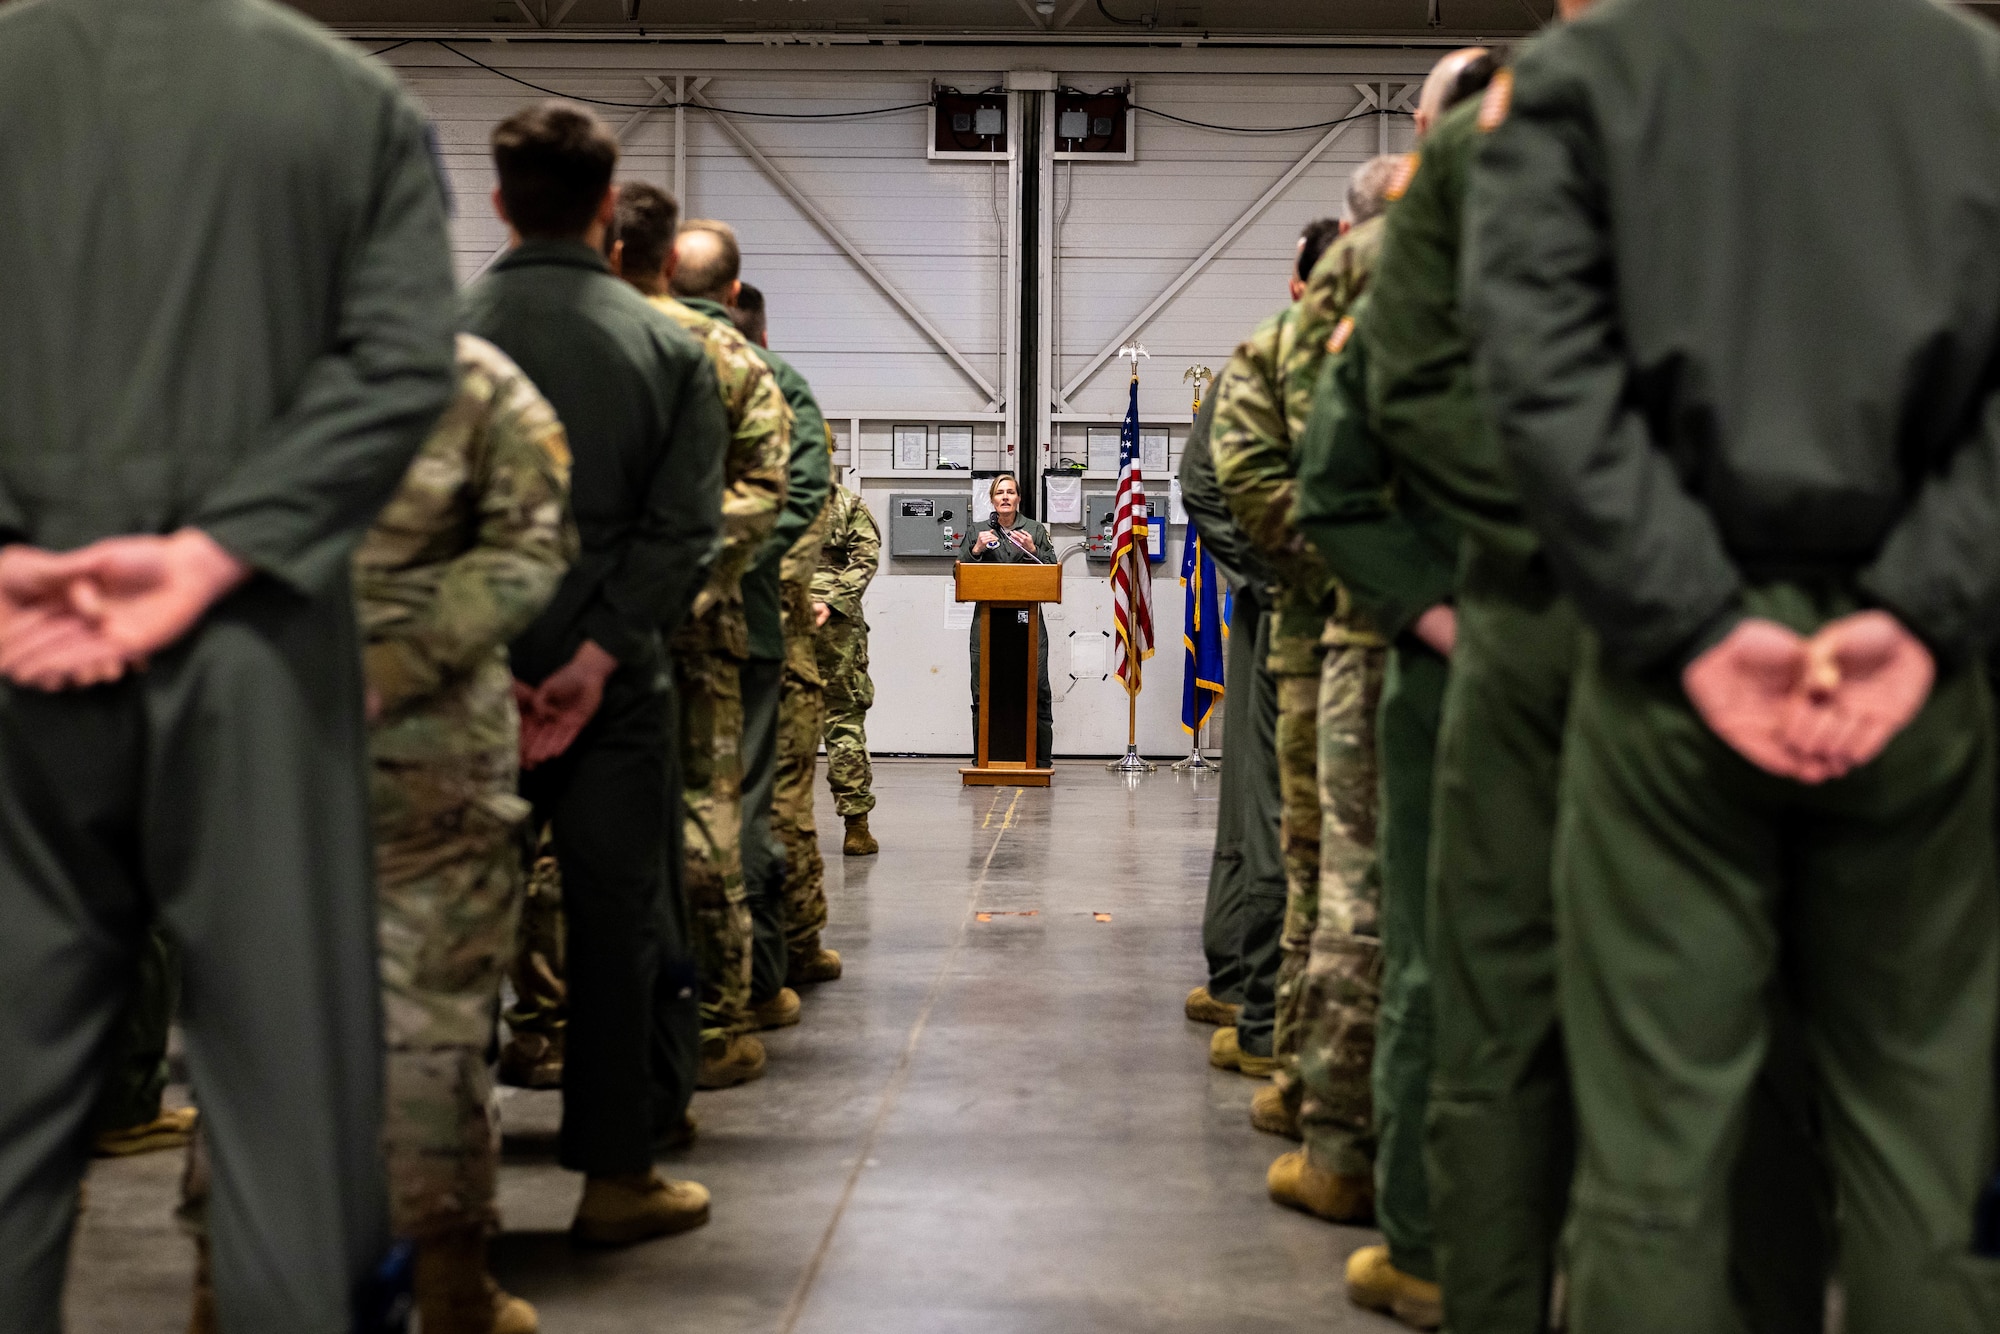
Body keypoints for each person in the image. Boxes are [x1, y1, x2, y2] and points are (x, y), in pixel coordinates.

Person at [1466, 0, 2000, 1329]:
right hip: (1914, 681)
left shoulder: (1581, 83)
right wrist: (1923, 608)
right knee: (1923, 1176)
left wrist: (1695, 621)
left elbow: (1540, 377)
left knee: (1653, 1169)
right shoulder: (1975, 76)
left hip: (1670, 689)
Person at [0, 1, 457, 1328]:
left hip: (17, 635)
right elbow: (400, 359)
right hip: (251, 645)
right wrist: (212, 553)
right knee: (288, 1105)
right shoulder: (348, 104)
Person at [462, 100, 727, 1246]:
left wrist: (498, 659)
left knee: (449, 934)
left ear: (496, 200)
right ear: (611, 209)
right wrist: (589, 658)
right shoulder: (669, 346)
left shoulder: (438, 337)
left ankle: (442, 1186)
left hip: (465, 686)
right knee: (618, 925)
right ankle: (617, 1174)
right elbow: (683, 533)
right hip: (612, 693)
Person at [357, 333, 575, 1334]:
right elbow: (532, 545)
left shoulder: (216, 352)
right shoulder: (471, 378)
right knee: (437, 1012)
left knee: (256, 1007)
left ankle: (227, 1282)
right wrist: (399, 662)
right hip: (428, 738)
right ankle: (449, 1281)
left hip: (254, 726)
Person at [1210, 202, 1390, 1206]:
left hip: (1333, 634)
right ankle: (1301, 1072)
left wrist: (1331, 572)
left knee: (1325, 867)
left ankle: (1319, 1096)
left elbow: (1247, 476)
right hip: (1374, 627)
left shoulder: (1283, 351)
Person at [609, 198, 793, 1080]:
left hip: (572, 625)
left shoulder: (594, 335)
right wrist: (684, 579)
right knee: (707, 820)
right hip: (699, 625)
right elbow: (770, 485)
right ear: (731, 285)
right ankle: (713, 1022)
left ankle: (547, 1019)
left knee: (570, 828)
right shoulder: (733, 359)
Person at [723, 280, 843, 982]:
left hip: (682, 617)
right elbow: (800, 521)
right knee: (780, 794)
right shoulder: (786, 403)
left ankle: (769, 950)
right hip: (772, 626)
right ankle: (784, 949)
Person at [1175, 391, 1281, 1048]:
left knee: (1262, 792)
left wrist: (1269, 578)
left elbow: (1202, 478)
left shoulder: (1279, 355)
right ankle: (1246, 977)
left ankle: (1255, 993)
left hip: (1288, 608)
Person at [959, 473, 1058, 768]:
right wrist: (976, 550)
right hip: (988, 624)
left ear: (1018, 499)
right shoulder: (978, 531)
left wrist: (1033, 550)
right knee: (983, 689)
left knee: (1037, 687)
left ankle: (1040, 759)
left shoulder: (1035, 530)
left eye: (1010, 492)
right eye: (999, 492)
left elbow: (1052, 571)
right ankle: (984, 758)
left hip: (1028, 624)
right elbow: (960, 572)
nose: (1005, 497)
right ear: (992, 499)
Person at [811, 482, 884, 856]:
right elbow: (866, 557)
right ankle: (856, 827)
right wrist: (833, 600)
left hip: (780, 610)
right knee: (843, 719)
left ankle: (780, 826)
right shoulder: (846, 502)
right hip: (837, 623)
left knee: (777, 721)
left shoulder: (766, 496)